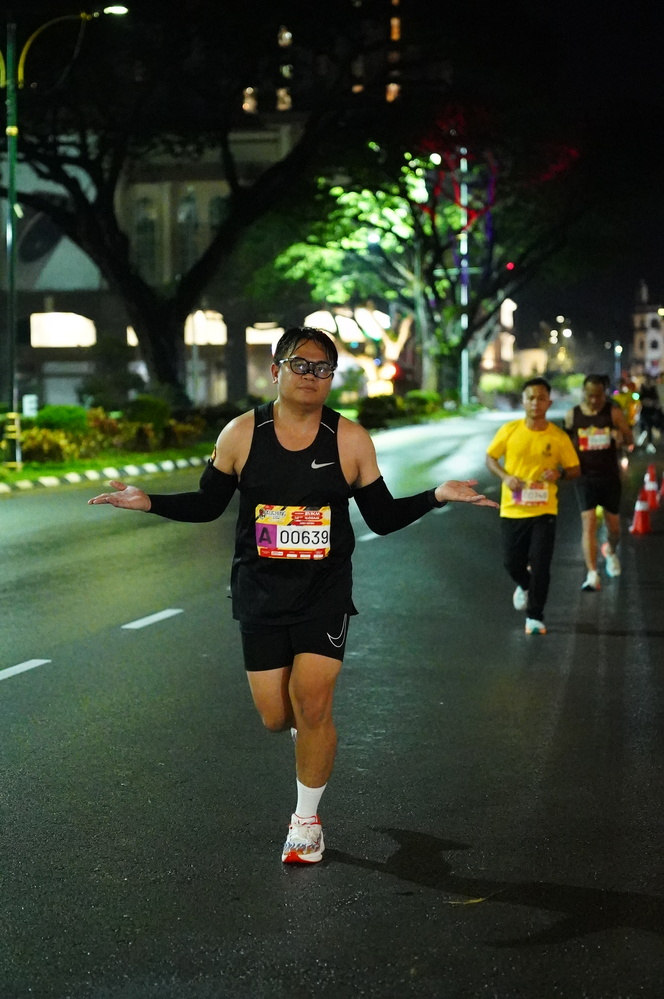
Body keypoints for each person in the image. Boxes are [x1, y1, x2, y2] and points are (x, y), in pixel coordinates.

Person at [88, 327, 497, 864]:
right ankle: (306, 738)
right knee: (276, 717)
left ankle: (306, 823)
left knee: (314, 704)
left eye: (322, 368)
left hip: (323, 593)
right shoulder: (242, 433)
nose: (310, 376)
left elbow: (381, 517)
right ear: (276, 370)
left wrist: (436, 495)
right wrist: (150, 502)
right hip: (259, 592)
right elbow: (208, 505)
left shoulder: (349, 439)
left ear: (332, 378)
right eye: (300, 365)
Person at [486, 376, 580, 635]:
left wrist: (559, 474)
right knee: (512, 563)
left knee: (541, 565)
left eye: (541, 398)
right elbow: (491, 458)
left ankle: (535, 616)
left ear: (549, 402)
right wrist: (506, 477)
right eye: (530, 398)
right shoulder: (510, 430)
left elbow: (574, 469)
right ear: (523, 401)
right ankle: (525, 584)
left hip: (544, 510)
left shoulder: (558, 437)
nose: (535, 403)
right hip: (513, 509)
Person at [563, 374, 634, 591]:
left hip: (609, 477)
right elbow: (563, 443)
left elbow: (630, 439)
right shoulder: (572, 415)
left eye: (599, 395)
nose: (594, 400)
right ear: (583, 393)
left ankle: (610, 550)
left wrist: (619, 437)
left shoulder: (612, 413)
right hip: (585, 477)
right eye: (590, 395)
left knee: (614, 528)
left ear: (604, 393)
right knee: (589, 523)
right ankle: (592, 573)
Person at [636, 372, 662, 454]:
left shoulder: (653, 388)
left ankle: (650, 442)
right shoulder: (642, 387)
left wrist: (651, 402)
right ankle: (648, 443)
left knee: (652, 426)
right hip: (645, 410)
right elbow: (640, 398)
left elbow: (656, 399)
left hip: (652, 410)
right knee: (647, 425)